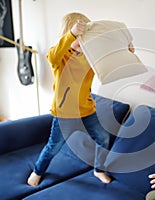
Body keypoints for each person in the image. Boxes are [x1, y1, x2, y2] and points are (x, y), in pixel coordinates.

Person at [27, 12, 134, 186]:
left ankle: (99, 169)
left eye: (85, 37)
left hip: (87, 109)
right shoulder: (60, 58)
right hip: (64, 113)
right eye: (78, 38)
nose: (82, 42)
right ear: (68, 37)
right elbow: (53, 54)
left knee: (103, 139)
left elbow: (110, 59)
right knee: (53, 147)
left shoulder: (90, 57)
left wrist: (126, 51)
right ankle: (38, 170)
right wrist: (71, 35)